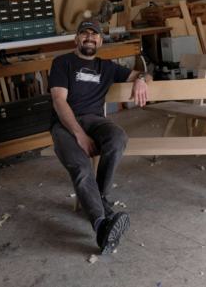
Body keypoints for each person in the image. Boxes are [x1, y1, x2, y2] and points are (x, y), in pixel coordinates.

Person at [48, 20, 152, 254]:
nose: (89, 38)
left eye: (94, 35)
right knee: (82, 167)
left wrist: (142, 80)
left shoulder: (108, 67)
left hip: (95, 121)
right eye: (84, 34)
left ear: (100, 42)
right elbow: (59, 101)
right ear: (76, 39)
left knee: (117, 137)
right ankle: (101, 225)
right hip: (65, 125)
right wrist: (81, 136)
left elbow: (145, 72)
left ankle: (101, 195)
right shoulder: (62, 62)